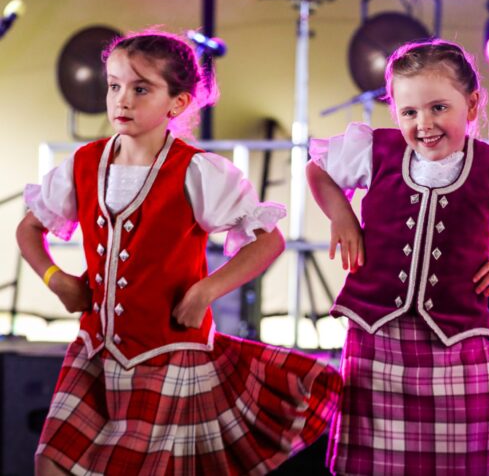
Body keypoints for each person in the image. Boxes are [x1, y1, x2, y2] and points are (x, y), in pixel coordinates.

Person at [16, 30, 341, 475]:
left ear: (177, 103)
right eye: (114, 86)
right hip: (94, 350)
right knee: (50, 461)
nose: (122, 100)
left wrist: (207, 290)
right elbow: (30, 228)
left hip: (166, 352)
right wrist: (56, 279)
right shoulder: (83, 164)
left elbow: (269, 240)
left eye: (140, 88)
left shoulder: (197, 171)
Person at [306, 38, 489, 475]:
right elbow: (318, 170)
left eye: (438, 108)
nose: (423, 123)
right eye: (409, 112)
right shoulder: (377, 152)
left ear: (471, 104)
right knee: (376, 463)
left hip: (455, 338)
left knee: (455, 461)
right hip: (376, 336)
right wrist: (343, 217)